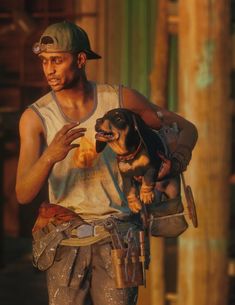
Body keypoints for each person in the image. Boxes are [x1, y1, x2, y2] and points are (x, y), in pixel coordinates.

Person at [15, 21, 198, 305]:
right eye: (44, 61)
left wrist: (176, 160)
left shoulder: (119, 100)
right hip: (66, 242)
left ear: (80, 59)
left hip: (118, 238)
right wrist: (50, 156)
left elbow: (185, 128)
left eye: (57, 60)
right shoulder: (36, 117)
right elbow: (23, 193)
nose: (48, 69)